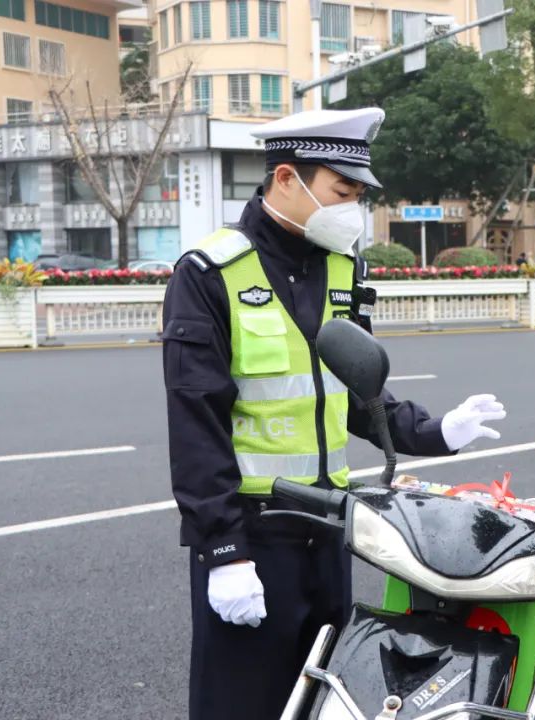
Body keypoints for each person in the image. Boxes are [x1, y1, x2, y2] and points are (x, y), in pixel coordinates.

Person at [161, 107, 507, 720]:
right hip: (254, 536)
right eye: (341, 192)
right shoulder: (210, 273)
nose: (352, 209)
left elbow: (354, 393)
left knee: (328, 702)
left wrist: (435, 431)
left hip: (329, 533)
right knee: (240, 705)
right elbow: (197, 426)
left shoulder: (345, 269)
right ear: (288, 179)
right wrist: (223, 552)